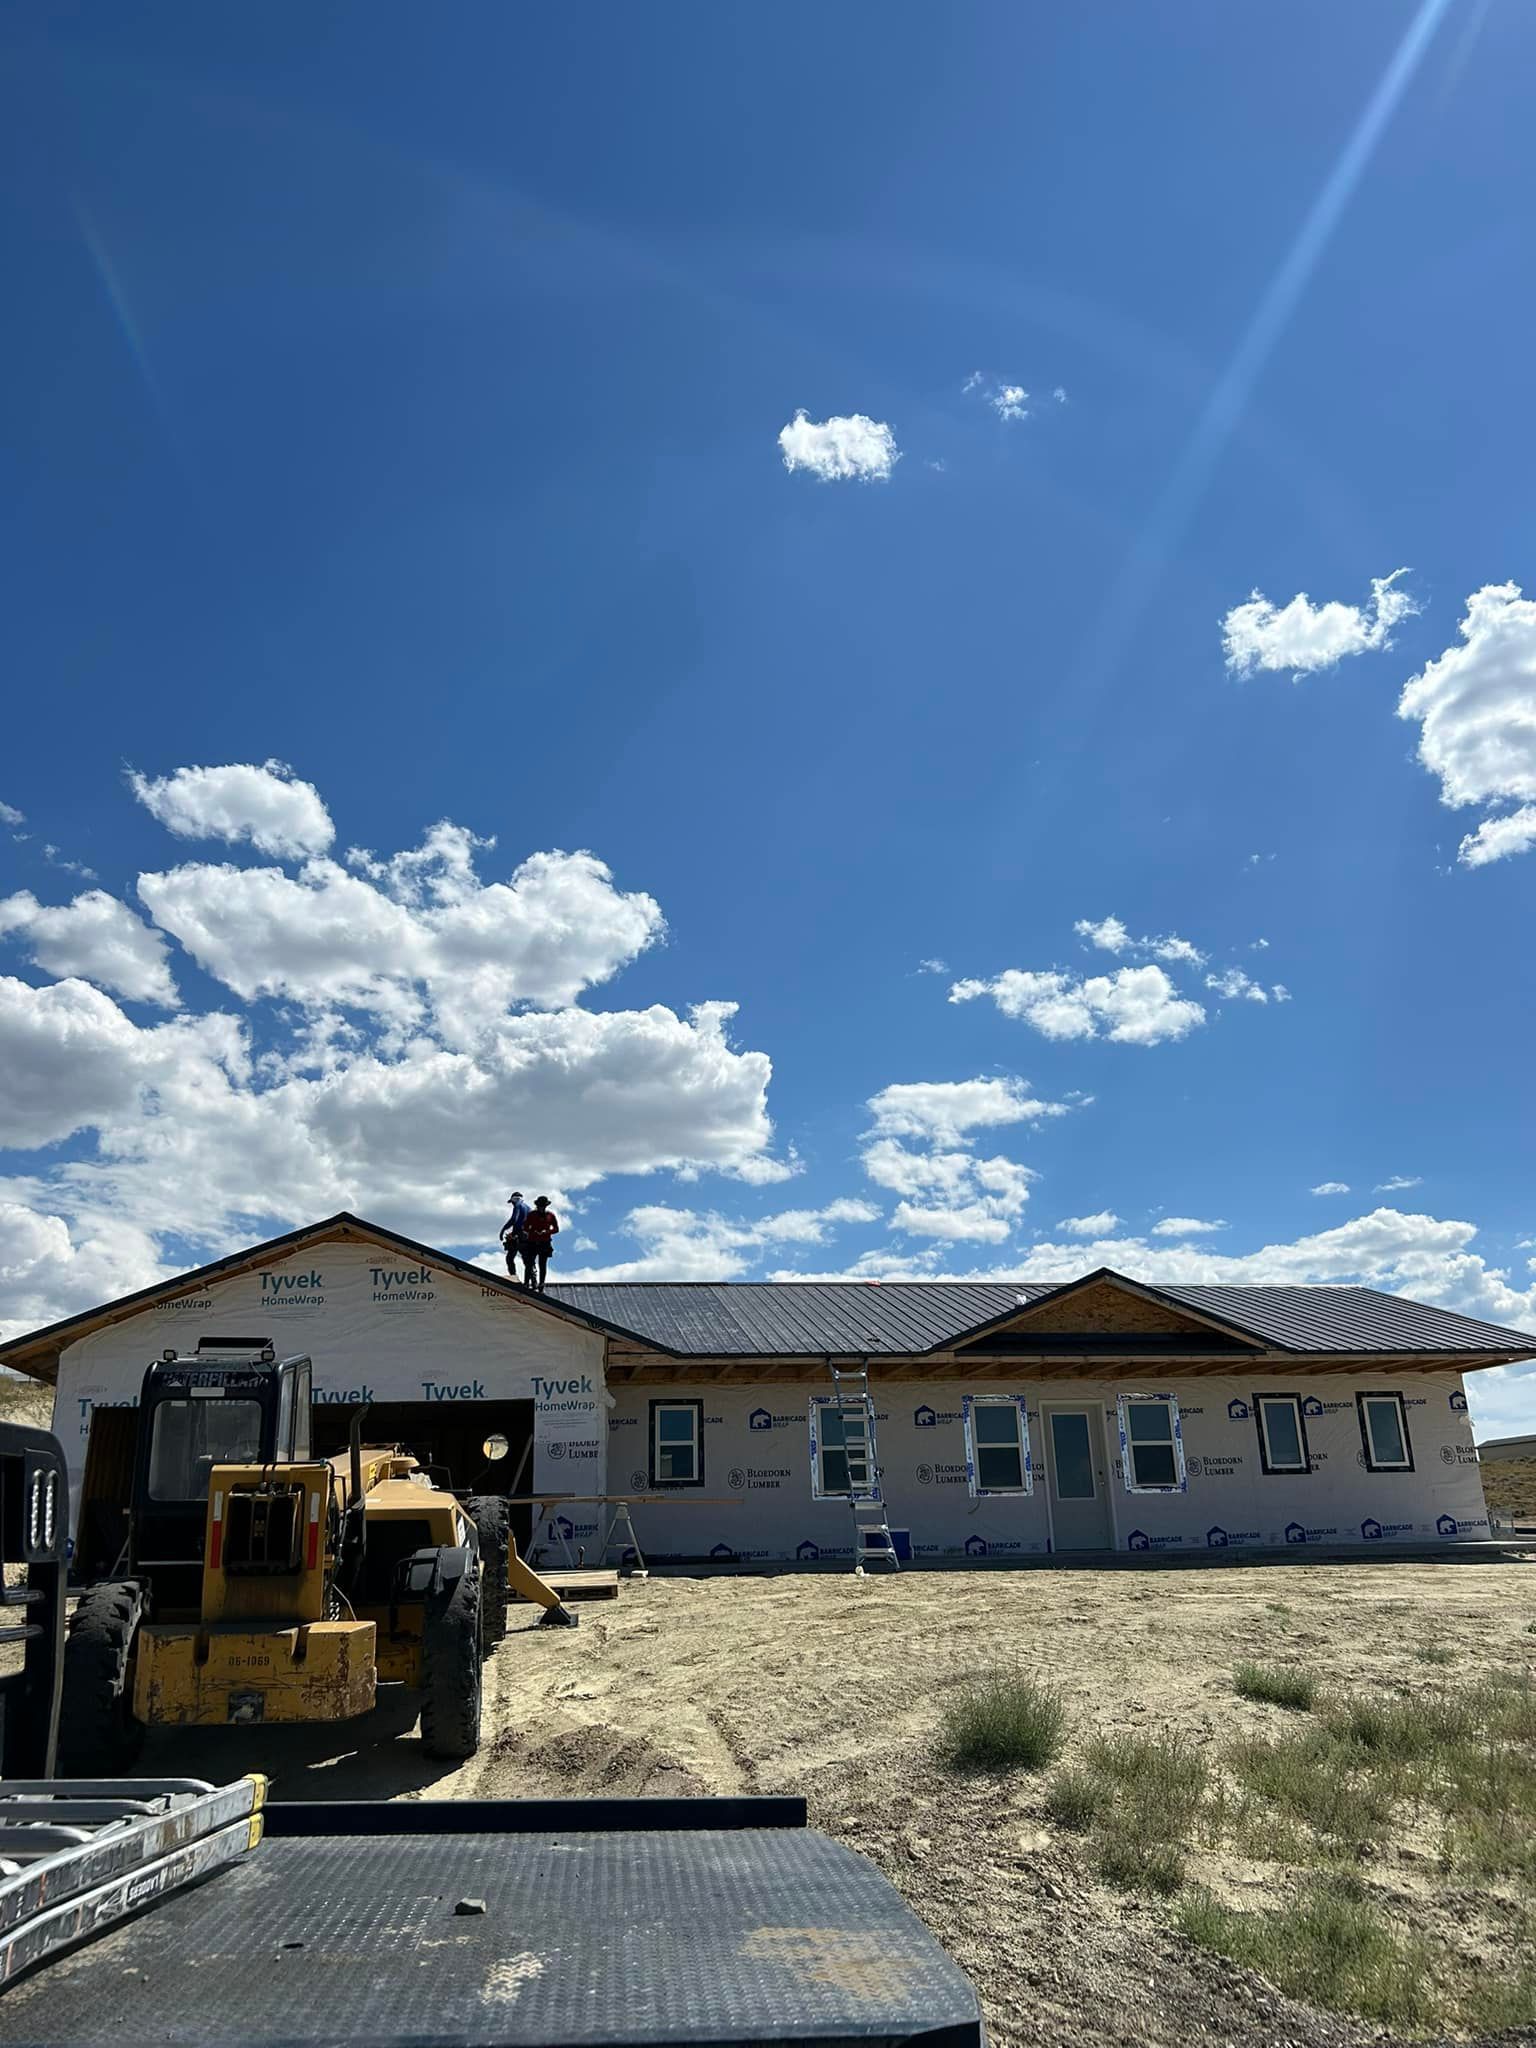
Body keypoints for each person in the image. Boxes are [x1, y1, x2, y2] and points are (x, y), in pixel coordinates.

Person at [521, 1195, 559, 1293]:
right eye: (540, 1206)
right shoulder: (532, 1215)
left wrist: (546, 1232)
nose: (542, 1207)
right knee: (529, 1264)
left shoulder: (550, 1215)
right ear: (537, 1205)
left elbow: (556, 1229)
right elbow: (525, 1227)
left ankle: (541, 1284)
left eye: (543, 1206)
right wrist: (533, 1232)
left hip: (545, 1243)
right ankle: (526, 1283)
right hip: (532, 1242)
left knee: (543, 1264)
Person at [499, 1192, 530, 1281]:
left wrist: (503, 1230)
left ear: (514, 1200)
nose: (512, 1204)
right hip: (527, 1236)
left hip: (519, 1235)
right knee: (527, 1259)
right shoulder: (528, 1208)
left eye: (512, 1202)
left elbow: (514, 1219)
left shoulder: (518, 1206)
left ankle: (514, 1277)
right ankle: (532, 1280)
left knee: (510, 1258)